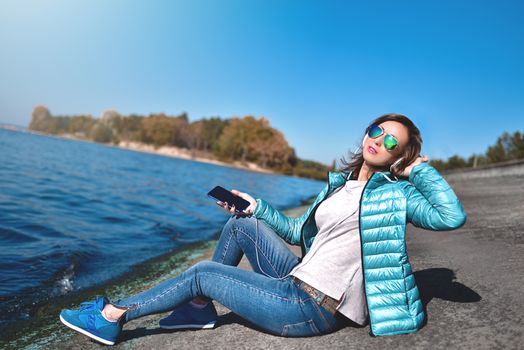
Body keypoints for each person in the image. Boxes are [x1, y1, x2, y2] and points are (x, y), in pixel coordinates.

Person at [59, 113, 467, 345]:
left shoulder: (396, 195)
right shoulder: (340, 186)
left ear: (401, 155)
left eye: (393, 143)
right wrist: (256, 206)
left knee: (202, 272)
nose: (379, 140)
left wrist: (418, 169)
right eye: (377, 130)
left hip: (312, 308)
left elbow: (450, 216)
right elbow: (294, 232)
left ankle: (115, 314)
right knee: (243, 223)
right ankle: (199, 309)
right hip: (294, 281)